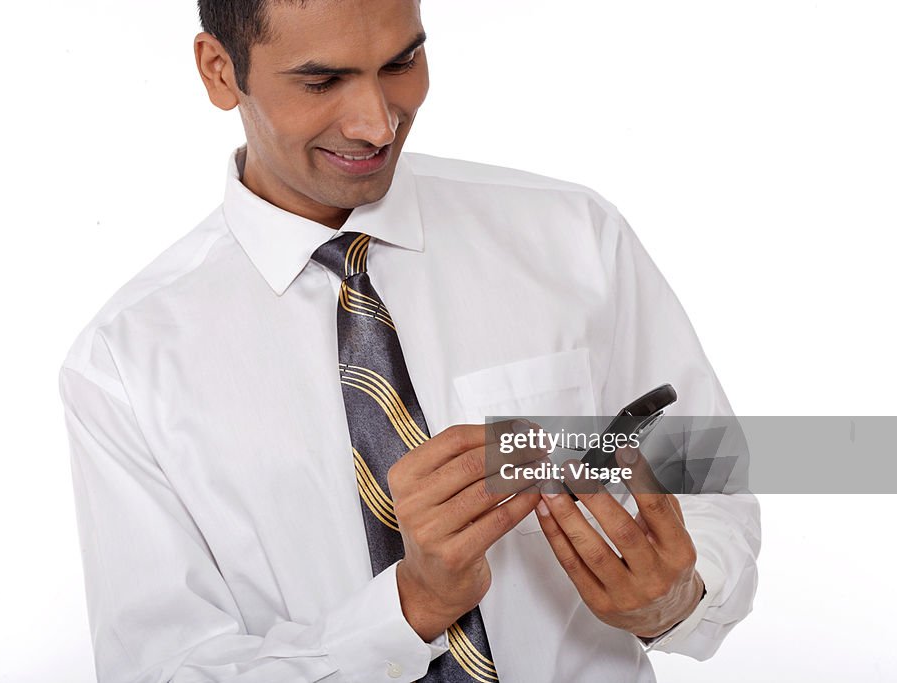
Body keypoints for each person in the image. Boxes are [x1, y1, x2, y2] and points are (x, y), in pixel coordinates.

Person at [58, 1, 760, 681]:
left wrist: (679, 600)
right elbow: (163, 668)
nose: (375, 122)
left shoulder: (574, 238)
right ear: (219, 70)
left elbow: (710, 471)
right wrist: (411, 607)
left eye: (403, 60)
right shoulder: (124, 364)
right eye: (321, 80)